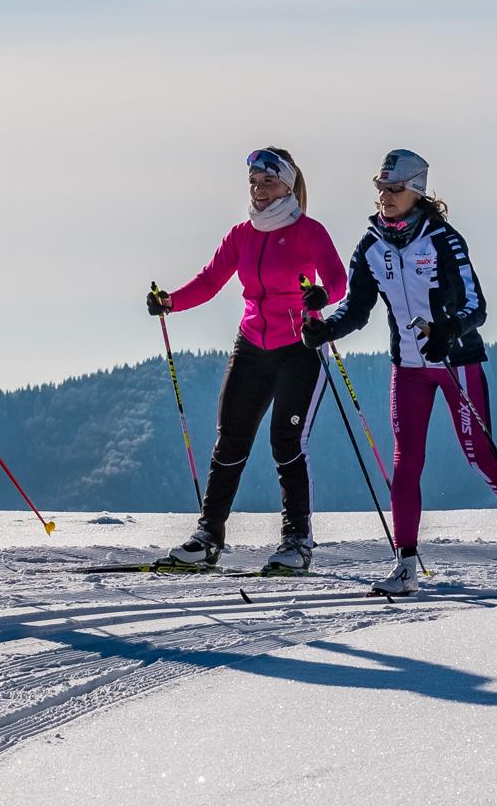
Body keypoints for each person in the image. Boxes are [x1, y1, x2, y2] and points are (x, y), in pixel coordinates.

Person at [304, 148, 497, 596]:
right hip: (409, 367)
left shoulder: (443, 240)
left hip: (456, 363)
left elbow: (476, 306)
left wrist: (448, 331)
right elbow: (356, 308)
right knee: (406, 462)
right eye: (381, 187)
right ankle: (405, 566)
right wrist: (327, 329)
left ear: (416, 190)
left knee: (480, 456)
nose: (386, 196)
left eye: (395, 188)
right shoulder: (370, 245)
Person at [146, 148, 347, 574]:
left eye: (268, 182)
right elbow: (209, 280)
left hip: (299, 349)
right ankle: (208, 538)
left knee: (286, 443)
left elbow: (338, 280)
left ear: (288, 186)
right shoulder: (241, 235)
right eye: (254, 182)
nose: (259, 190)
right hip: (252, 347)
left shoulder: (309, 232)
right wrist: (170, 302)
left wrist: (322, 296)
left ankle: (297, 542)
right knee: (230, 441)